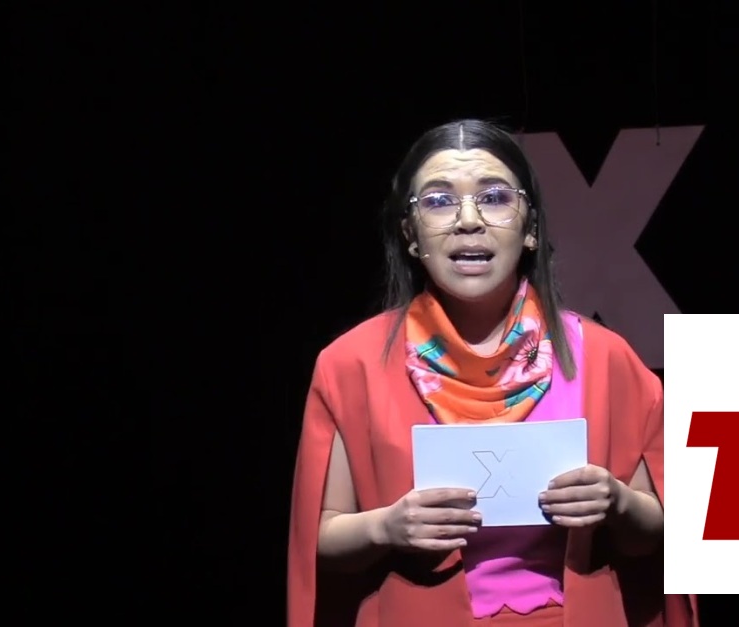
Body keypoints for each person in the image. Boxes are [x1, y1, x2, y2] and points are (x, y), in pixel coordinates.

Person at [287, 119, 698, 627]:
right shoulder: (350, 364)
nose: (468, 220)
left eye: (495, 197)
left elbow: (654, 534)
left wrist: (618, 504)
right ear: (410, 234)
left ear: (530, 228)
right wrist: (386, 527)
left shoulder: (603, 356)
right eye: (439, 201)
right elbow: (320, 537)